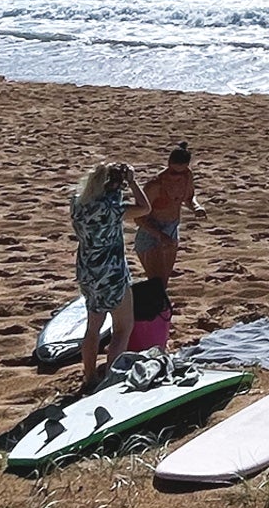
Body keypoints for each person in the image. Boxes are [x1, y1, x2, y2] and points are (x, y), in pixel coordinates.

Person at [71, 161, 151, 387]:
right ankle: (109, 379)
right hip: (112, 272)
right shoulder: (112, 209)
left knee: (93, 328)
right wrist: (133, 182)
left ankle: (89, 377)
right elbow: (145, 208)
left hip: (88, 270)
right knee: (122, 329)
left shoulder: (78, 204)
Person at [135, 142, 205, 282]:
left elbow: (189, 197)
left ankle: (161, 304)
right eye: (174, 173)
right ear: (168, 165)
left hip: (172, 228)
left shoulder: (187, 176)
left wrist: (196, 207)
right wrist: (160, 235)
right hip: (151, 232)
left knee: (164, 280)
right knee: (155, 280)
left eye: (182, 172)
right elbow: (139, 218)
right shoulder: (155, 185)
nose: (177, 177)